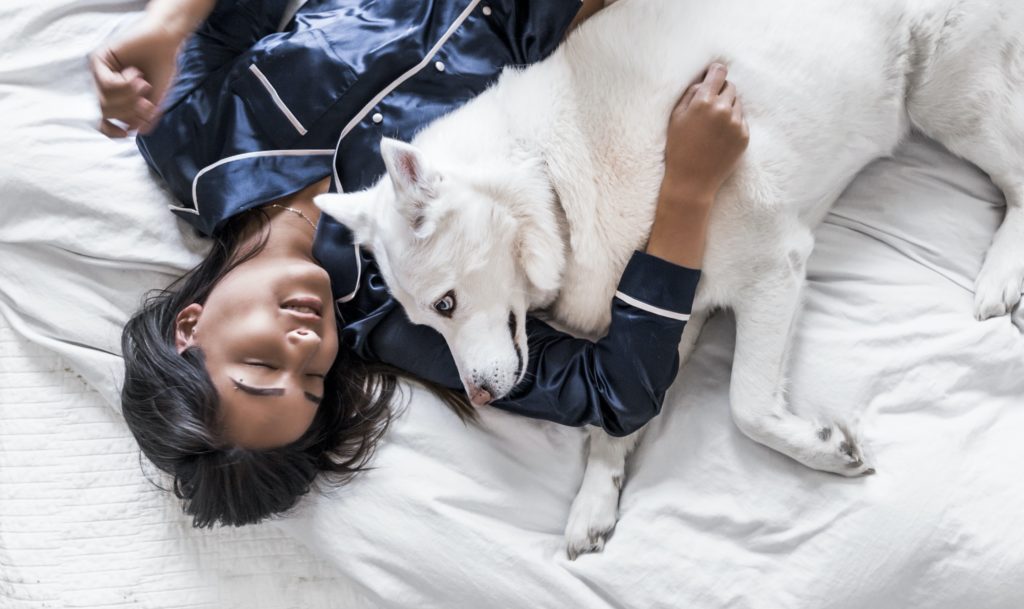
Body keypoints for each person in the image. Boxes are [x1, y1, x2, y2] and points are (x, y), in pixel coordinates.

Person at [92, 0, 749, 528]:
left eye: (263, 365)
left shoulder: (188, 141)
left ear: (189, 327)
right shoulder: (399, 311)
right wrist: (687, 190)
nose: (304, 344)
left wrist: (168, 23)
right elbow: (619, 392)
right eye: (315, 376)